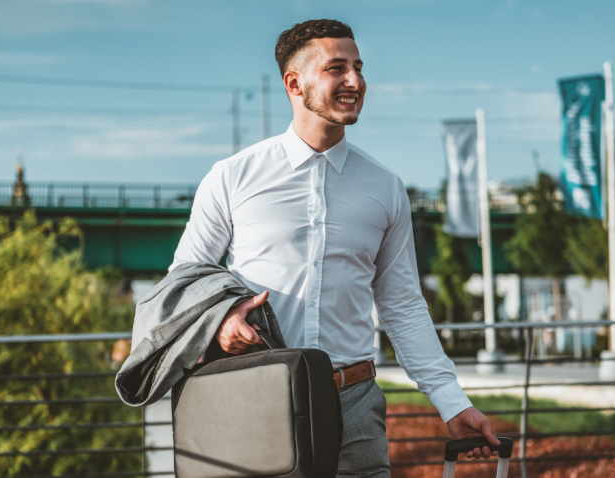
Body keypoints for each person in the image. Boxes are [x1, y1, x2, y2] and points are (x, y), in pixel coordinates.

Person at [170, 20, 498, 475]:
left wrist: (451, 402)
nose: (355, 81)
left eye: (359, 68)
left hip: (356, 406)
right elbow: (185, 281)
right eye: (336, 68)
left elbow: (402, 305)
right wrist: (221, 322)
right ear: (294, 83)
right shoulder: (232, 177)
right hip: (256, 398)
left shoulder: (385, 188)